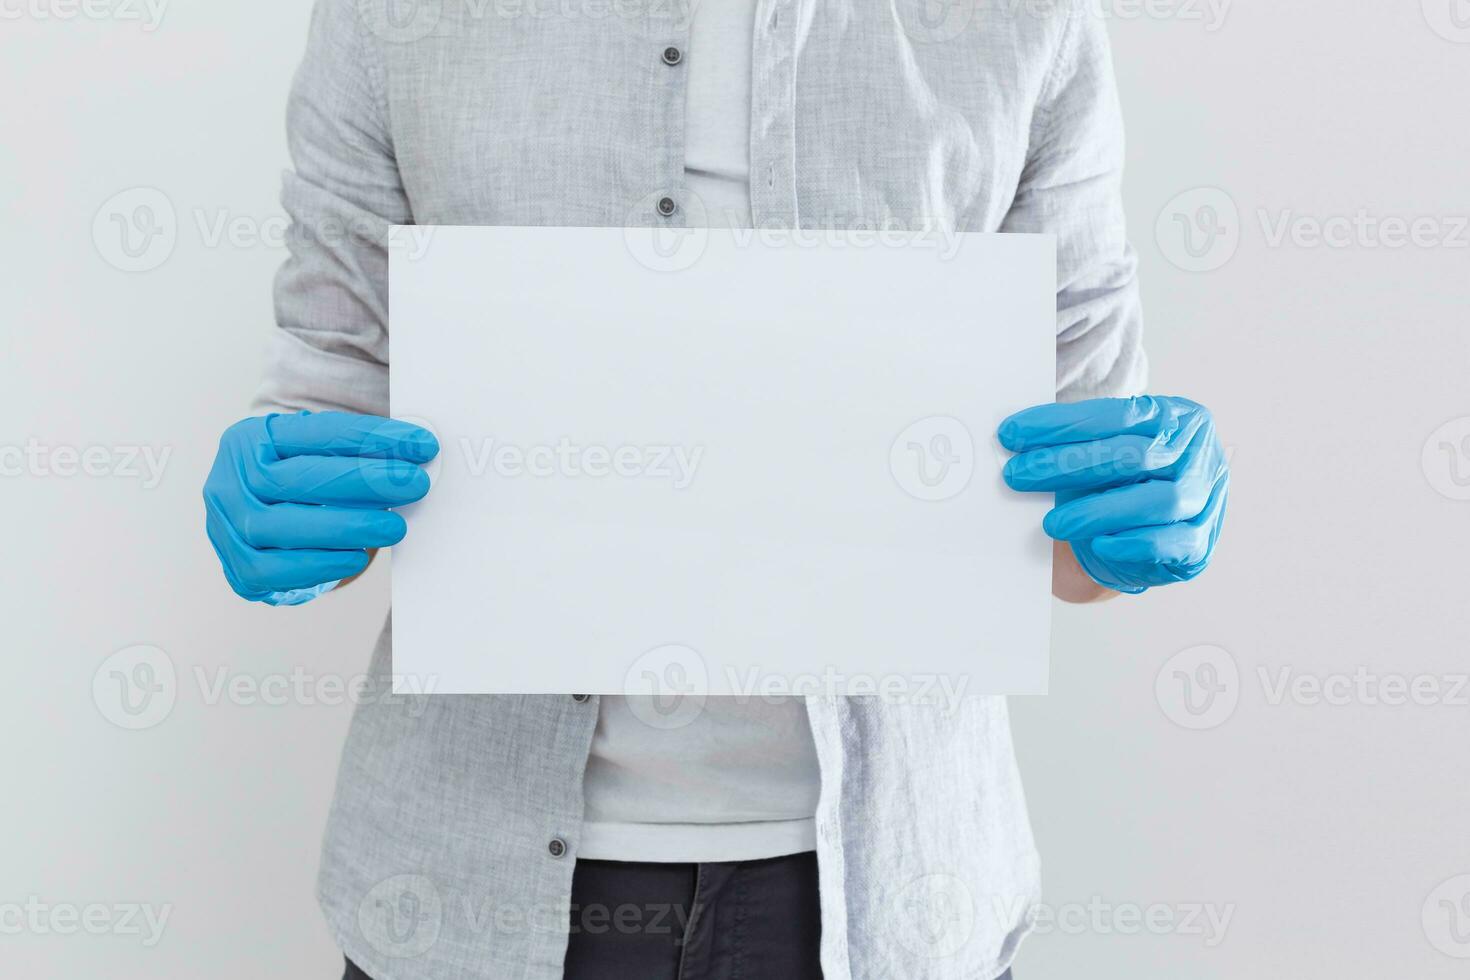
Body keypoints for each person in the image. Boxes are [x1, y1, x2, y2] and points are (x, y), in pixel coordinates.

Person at [201, 0, 1230, 977]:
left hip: (895, 897)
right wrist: (290, 509)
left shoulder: (1025, 21)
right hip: (464, 887)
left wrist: (1128, 522)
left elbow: (1073, 513)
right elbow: (333, 383)